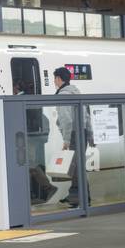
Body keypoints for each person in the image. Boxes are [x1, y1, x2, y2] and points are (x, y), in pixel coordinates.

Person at [53, 67, 91, 207]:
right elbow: (86, 116)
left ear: (58, 79)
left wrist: (66, 140)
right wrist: (90, 136)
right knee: (77, 166)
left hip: (74, 134)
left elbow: (66, 120)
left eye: (55, 78)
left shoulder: (62, 95)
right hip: (83, 132)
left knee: (76, 167)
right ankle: (76, 195)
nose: (54, 81)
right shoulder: (76, 92)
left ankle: (82, 199)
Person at [17, 80, 56, 204]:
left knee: (29, 165)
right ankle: (32, 193)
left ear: (17, 87)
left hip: (29, 138)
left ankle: (46, 188)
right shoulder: (32, 98)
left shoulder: (20, 98)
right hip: (34, 137)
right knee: (29, 165)